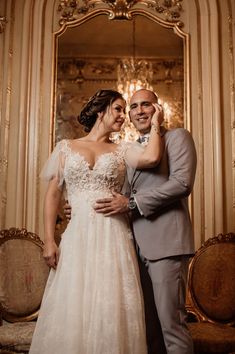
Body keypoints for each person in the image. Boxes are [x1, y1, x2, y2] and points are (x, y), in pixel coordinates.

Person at [29, 89, 164, 354]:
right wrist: (48, 240)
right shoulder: (66, 147)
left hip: (113, 236)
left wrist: (157, 121)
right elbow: (53, 195)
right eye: (118, 109)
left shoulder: (123, 149)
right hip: (77, 237)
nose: (124, 116)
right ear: (101, 111)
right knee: (74, 304)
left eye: (124, 110)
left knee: (110, 304)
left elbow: (152, 157)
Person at [94, 89, 197, 354]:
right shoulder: (131, 150)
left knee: (171, 327)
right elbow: (122, 195)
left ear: (158, 110)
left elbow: (182, 183)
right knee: (146, 330)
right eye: (134, 106)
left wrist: (131, 204)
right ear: (129, 115)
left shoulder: (177, 137)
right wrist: (85, 207)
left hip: (166, 246)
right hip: (132, 249)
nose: (139, 110)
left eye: (146, 105)